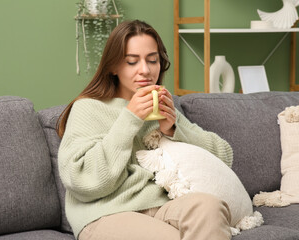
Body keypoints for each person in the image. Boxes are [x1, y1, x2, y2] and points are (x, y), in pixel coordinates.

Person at [57, 20, 233, 240]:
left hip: (164, 207)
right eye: (132, 62)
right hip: (107, 212)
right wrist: (130, 118)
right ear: (113, 66)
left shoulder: (163, 108)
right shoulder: (88, 108)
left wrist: (173, 130)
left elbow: (223, 159)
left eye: (153, 60)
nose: (145, 70)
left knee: (210, 207)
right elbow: (82, 180)